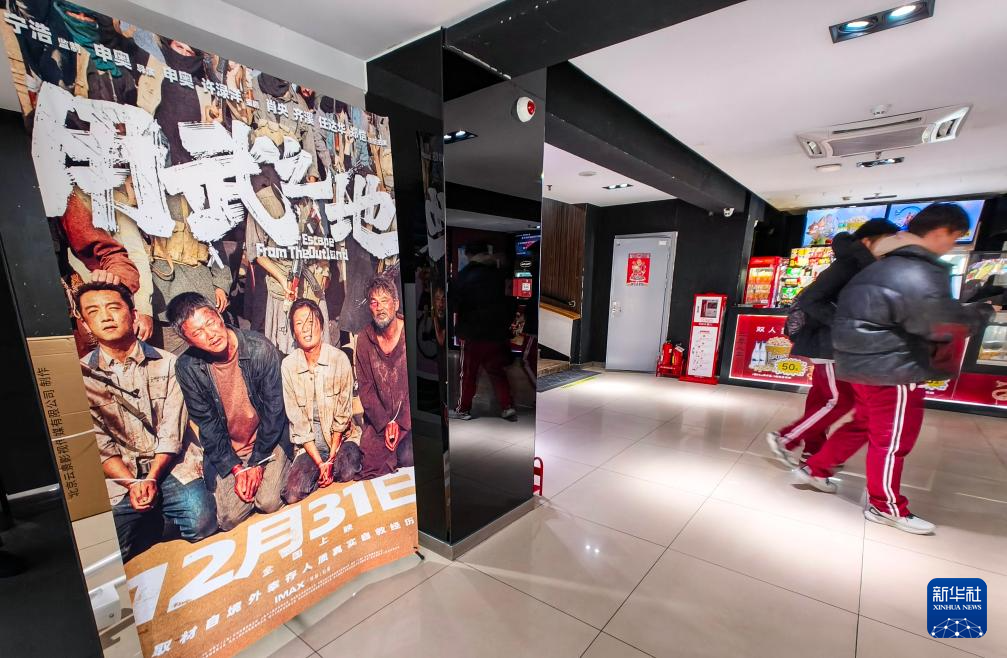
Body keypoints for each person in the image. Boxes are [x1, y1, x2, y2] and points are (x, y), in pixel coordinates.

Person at [793, 204, 993, 534]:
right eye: (955, 237)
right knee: (892, 438)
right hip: (893, 365)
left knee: (864, 423)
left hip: (859, 363)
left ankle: (816, 468)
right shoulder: (918, 270)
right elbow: (937, 324)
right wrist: (982, 313)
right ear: (941, 232)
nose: (951, 245)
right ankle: (884, 505)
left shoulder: (876, 265)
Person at [76, 282, 214, 560]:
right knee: (103, 552)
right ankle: (150, 516)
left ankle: (156, 514)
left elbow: (172, 431)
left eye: (114, 308)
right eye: (94, 312)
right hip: (121, 475)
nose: (106, 317)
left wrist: (151, 478)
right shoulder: (80, 378)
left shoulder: (168, 363)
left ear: (133, 314)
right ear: (85, 324)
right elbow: (99, 445)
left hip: (169, 465)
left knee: (202, 523)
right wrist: (132, 484)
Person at [767, 219, 899, 466]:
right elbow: (811, 299)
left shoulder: (857, 262)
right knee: (839, 400)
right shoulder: (850, 263)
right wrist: (844, 324)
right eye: (888, 241)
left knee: (823, 400)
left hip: (833, 343)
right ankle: (786, 438)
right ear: (868, 241)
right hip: (829, 344)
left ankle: (812, 452)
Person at [168, 292, 293, 531]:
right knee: (228, 518)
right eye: (198, 332)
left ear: (219, 315)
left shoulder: (259, 348)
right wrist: (236, 468)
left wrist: (256, 463)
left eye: (210, 323)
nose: (210, 334)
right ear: (188, 340)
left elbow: (274, 412)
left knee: (268, 501)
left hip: (267, 442)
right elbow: (208, 426)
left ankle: (279, 465)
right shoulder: (187, 368)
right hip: (230, 450)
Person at [281, 299, 363, 503]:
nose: (306, 329)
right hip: (310, 446)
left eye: (311, 322)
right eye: (299, 324)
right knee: (292, 493)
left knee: (348, 471)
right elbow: (298, 424)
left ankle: (331, 467)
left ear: (321, 325)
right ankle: (320, 471)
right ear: (293, 332)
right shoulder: (288, 366)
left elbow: (342, 417)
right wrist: (320, 463)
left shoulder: (338, 359)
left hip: (341, 439)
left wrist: (332, 457)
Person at [448, 242, 518, 421]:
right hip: (496, 333)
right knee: (497, 371)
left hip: (473, 334)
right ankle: (507, 407)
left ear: (469, 255)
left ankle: (463, 409)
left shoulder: (465, 275)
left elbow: (455, 302)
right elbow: (510, 302)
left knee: (468, 374)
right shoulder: (498, 274)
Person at [355, 274, 413, 478]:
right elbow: (366, 389)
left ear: (395, 304)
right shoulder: (364, 339)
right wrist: (386, 422)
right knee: (370, 463)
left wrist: (401, 422)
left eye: (384, 301)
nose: (379, 308)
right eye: (374, 302)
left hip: (409, 418)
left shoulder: (410, 332)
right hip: (379, 421)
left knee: (407, 456)